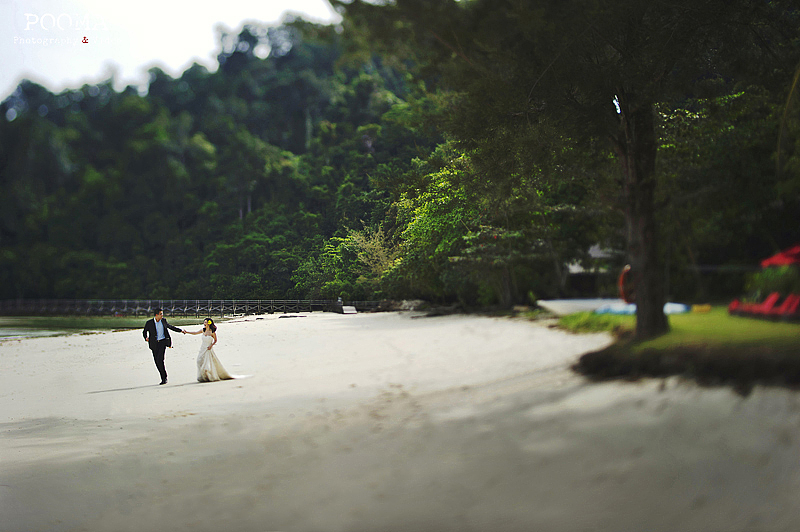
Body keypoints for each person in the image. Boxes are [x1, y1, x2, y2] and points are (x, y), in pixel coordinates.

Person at [142, 308, 185, 385]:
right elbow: (144, 331)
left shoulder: (163, 321)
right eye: (161, 314)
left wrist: (180, 330)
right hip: (154, 344)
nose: (162, 315)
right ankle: (163, 376)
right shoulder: (149, 323)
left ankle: (164, 378)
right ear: (156, 315)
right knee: (157, 362)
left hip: (162, 343)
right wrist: (146, 337)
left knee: (160, 360)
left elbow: (170, 327)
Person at [184, 318, 234, 382]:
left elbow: (215, 340)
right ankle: (202, 376)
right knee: (199, 361)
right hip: (202, 348)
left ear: (209, 323)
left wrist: (211, 345)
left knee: (207, 363)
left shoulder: (212, 332)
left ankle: (208, 376)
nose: (204, 324)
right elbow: (195, 333)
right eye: (204, 322)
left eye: (205, 322)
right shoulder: (203, 330)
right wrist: (187, 332)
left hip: (208, 349)